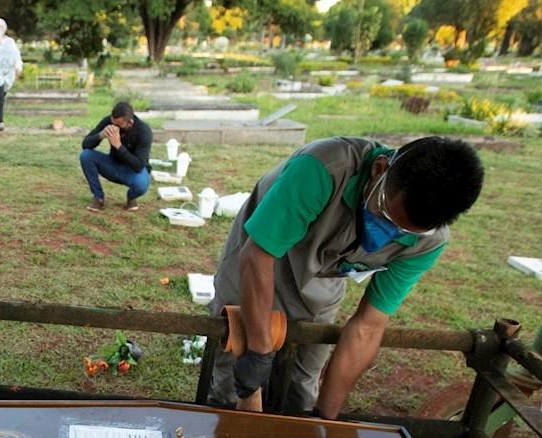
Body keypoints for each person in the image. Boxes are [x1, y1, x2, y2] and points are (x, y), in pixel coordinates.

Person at [207, 136, 484, 418]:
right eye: (386, 214)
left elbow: (369, 326)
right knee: (235, 376)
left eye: (404, 232)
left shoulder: (428, 242)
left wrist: (325, 422)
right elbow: (258, 257)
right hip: (257, 259)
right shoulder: (323, 169)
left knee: (301, 389)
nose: (389, 232)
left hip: (322, 283)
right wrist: (259, 351)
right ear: (379, 169)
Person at [79, 101, 153, 212]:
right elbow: (85, 145)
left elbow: (138, 165)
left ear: (130, 122)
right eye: (112, 123)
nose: (114, 127)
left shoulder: (144, 131)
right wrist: (101, 135)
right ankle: (98, 197)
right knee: (86, 156)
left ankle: (131, 198)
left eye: (118, 125)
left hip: (132, 171)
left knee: (141, 184)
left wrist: (118, 146)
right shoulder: (109, 121)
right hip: (113, 165)